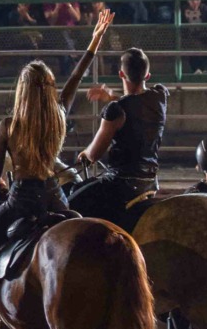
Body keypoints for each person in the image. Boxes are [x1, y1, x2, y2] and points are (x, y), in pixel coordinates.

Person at [0, 7, 115, 329]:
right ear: (49, 89)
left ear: (22, 90)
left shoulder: (8, 126)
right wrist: (94, 41)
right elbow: (76, 77)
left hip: (21, 202)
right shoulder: (59, 113)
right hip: (56, 200)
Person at [67, 46, 167, 229]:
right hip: (149, 181)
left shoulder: (116, 110)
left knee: (69, 205)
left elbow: (94, 154)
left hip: (121, 184)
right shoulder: (160, 96)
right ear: (147, 76)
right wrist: (113, 96)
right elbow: (137, 104)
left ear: (121, 74)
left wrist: (85, 154)